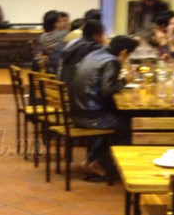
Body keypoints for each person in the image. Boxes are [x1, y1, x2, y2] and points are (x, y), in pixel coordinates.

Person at [70, 36, 138, 180]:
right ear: (124, 52)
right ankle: (100, 165)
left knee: (118, 119)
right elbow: (106, 91)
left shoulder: (95, 54)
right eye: (128, 55)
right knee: (128, 127)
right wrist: (125, 80)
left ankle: (91, 161)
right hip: (90, 116)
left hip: (77, 112)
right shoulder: (111, 62)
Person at [58, 19, 105, 87]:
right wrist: (104, 44)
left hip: (65, 87)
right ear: (95, 35)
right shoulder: (93, 48)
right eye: (102, 34)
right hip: (78, 90)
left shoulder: (75, 43)